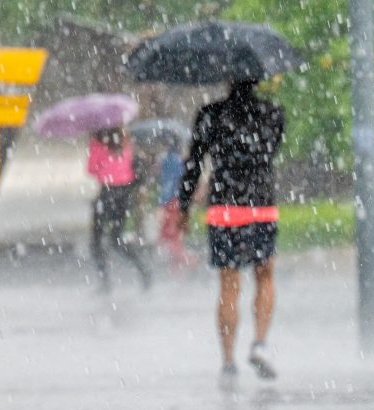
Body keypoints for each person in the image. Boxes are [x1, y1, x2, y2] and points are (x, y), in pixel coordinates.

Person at [178, 80, 285, 388]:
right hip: (260, 204)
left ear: (226, 79)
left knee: (228, 282)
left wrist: (184, 206)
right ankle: (260, 343)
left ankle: (228, 360)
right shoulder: (272, 113)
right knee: (264, 275)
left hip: (224, 206)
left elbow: (194, 163)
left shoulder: (210, 115)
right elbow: (269, 152)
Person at [87, 125, 152, 293]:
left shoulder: (97, 145)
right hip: (123, 196)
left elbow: (92, 170)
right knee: (117, 239)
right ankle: (143, 270)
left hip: (106, 195)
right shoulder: (126, 144)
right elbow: (129, 171)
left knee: (96, 240)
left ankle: (105, 281)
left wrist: (95, 149)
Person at [157, 135, 193, 273]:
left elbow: (167, 181)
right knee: (174, 236)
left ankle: (187, 261)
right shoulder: (180, 162)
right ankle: (181, 265)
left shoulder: (167, 161)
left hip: (169, 202)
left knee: (170, 235)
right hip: (177, 201)